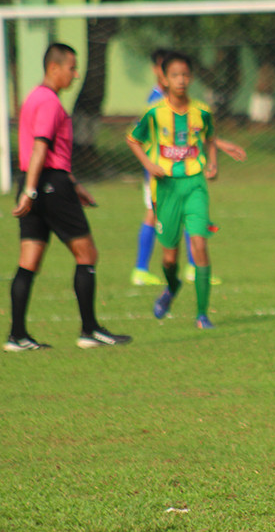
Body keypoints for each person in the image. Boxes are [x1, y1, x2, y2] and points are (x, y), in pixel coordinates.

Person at [5, 43, 132, 352]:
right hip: (47, 184)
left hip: (38, 180)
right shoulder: (49, 102)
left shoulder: (32, 98)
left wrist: (67, 184)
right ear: (54, 68)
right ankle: (89, 330)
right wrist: (34, 190)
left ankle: (17, 336)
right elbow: (41, 147)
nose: (75, 75)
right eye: (71, 68)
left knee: (28, 261)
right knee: (87, 254)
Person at [130, 47, 245, 287]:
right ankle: (142, 269)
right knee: (157, 214)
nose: (178, 77)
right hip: (162, 172)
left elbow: (189, 133)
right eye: (170, 71)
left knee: (183, 212)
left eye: (182, 72)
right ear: (158, 72)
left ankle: (189, 265)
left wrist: (219, 145)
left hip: (178, 170)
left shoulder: (183, 103)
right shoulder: (157, 101)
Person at [126, 51, 220, 330]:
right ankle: (172, 285)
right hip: (165, 188)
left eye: (185, 75)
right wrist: (149, 164)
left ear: (190, 78)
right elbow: (133, 140)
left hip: (194, 185)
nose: (181, 80)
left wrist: (212, 163)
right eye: (175, 75)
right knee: (169, 258)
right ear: (164, 79)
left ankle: (202, 314)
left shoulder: (202, 110)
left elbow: (211, 137)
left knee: (200, 243)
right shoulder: (154, 112)